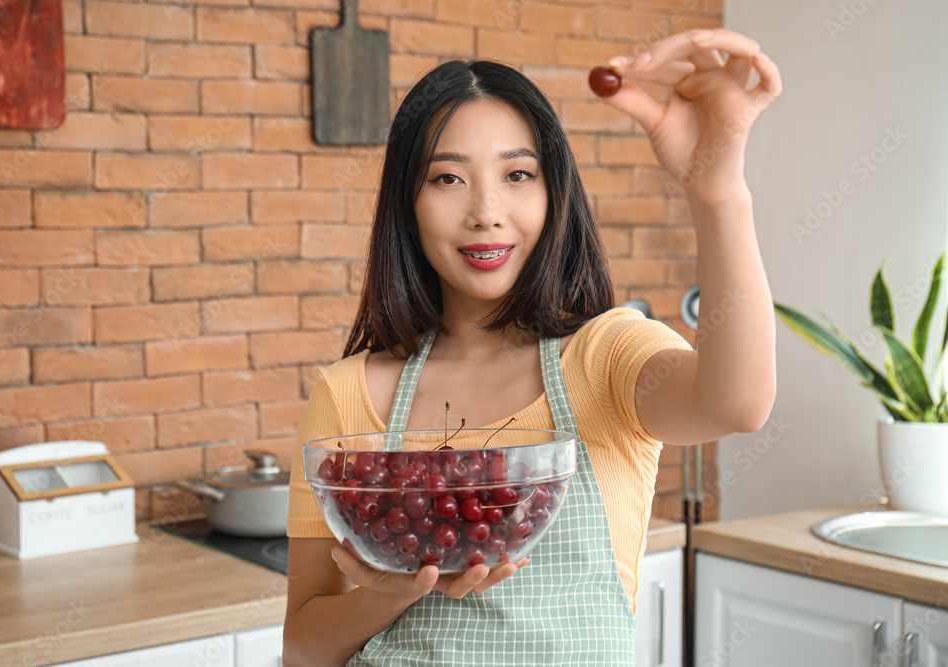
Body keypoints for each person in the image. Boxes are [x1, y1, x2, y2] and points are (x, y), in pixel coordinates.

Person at [283, 28, 781, 667]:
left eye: (518, 174)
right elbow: (303, 647)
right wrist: (391, 591)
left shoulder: (604, 357)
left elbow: (737, 405)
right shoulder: (351, 392)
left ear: (554, 195)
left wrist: (717, 193)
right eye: (446, 179)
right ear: (407, 205)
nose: (486, 211)